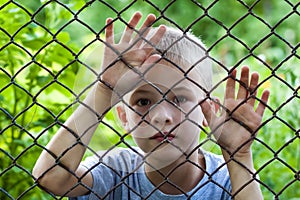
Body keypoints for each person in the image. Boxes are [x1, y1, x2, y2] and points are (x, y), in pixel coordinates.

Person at [33, 12, 270, 200]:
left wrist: (239, 156)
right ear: (123, 117)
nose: (161, 116)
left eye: (179, 99)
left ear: (207, 110)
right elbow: (50, 176)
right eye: (143, 102)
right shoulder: (116, 171)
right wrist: (104, 90)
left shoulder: (229, 179)